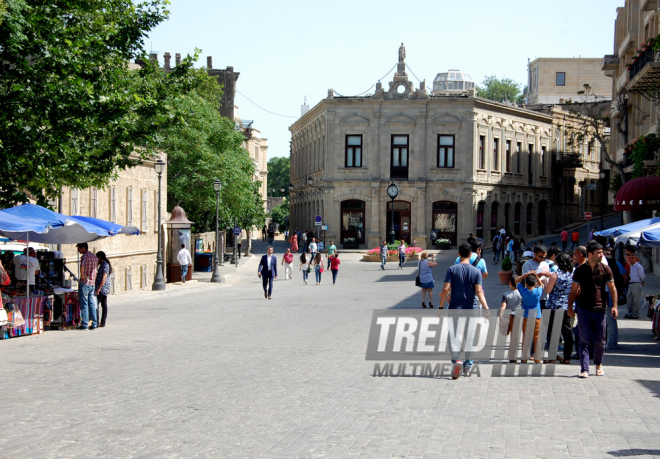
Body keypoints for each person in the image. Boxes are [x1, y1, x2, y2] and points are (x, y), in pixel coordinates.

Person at [438, 243, 489, 379]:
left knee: (453, 335)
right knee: (470, 337)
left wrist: (441, 307)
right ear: (471, 254)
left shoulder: (452, 269)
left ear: (459, 254)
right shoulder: (476, 271)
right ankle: (468, 366)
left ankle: (457, 360)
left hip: (455, 307)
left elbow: (444, 290)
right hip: (471, 308)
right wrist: (486, 307)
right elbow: (479, 291)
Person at [568, 241, 617, 378]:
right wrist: (570, 307)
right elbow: (574, 290)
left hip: (600, 309)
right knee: (584, 339)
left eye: (602, 252)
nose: (602, 255)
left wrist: (614, 306)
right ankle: (584, 369)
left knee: (600, 341)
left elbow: (613, 288)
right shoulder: (580, 270)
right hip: (583, 309)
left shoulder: (605, 269)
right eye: (599, 252)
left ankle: (598, 364)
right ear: (590, 254)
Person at [543, 252, 575, 364]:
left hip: (555, 305)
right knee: (567, 332)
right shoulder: (573, 274)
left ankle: (552, 357)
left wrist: (544, 282)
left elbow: (548, 290)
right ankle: (567, 357)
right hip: (567, 306)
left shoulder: (556, 274)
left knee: (553, 332)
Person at [517, 272, 544, 363]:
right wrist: (536, 276)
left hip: (526, 317)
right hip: (537, 317)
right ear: (535, 284)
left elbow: (516, 281)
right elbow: (541, 285)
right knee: (537, 337)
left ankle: (524, 357)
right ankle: (537, 357)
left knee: (526, 337)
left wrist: (525, 275)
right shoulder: (537, 292)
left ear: (526, 284)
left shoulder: (523, 292)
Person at [454, 240, 488, 308]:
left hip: (460, 291)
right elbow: (484, 276)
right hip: (475, 291)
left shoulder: (458, 259)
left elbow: (455, 274)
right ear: (478, 249)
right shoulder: (481, 261)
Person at [603, 246, 624, 349]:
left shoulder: (610, 266)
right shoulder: (614, 264)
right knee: (609, 320)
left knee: (610, 320)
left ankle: (611, 343)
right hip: (609, 295)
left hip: (608, 296)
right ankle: (610, 342)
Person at [76, 242, 98, 330]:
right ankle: (94, 323)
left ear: (83, 248)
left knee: (84, 303)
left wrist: (82, 276)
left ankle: (85, 324)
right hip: (92, 283)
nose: (78, 250)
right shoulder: (94, 256)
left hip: (85, 283)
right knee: (92, 303)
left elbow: (82, 266)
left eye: (79, 248)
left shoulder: (84, 256)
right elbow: (96, 270)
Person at [499, 274, 522, 355]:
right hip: (518, 316)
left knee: (505, 332)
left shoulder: (506, 294)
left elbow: (503, 306)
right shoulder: (521, 294)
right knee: (515, 336)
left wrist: (501, 317)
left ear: (509, 283)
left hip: (508, 316)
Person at [625, 250, 645, 319]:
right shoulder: (632, 266)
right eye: (630, 258)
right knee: (629, 299)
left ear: (636, 258)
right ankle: (630, 312)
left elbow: (642, 276)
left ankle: (636, 313)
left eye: (633, 258)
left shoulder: (638, 266)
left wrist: (641, 282)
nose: (631, 259)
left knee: (636, 300)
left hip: (636, 284)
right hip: (630, 284)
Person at [95, 251, 112, 328]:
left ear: (99, 257)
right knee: (103, 304)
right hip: (104, 287)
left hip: (102, 287)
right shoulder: (103, 264)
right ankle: (102, 322)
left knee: (97, 304)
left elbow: (104, 277)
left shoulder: (105, 265)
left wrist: (99, 288)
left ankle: (98, 321)